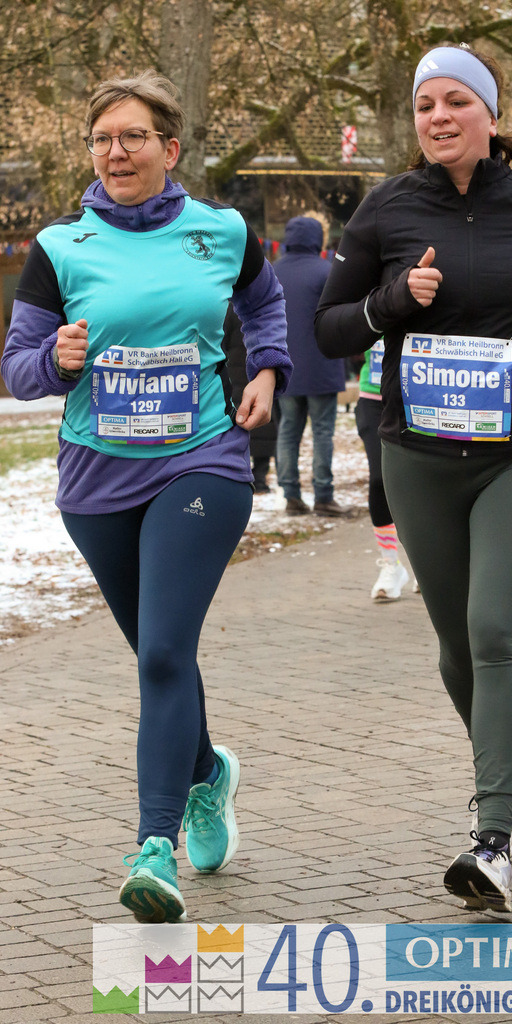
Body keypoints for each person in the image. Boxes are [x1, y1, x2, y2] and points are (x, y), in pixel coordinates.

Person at [315, 43, 512, 913]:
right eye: (425, 105)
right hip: (418, 456)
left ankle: (490, 835)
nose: (439, 117)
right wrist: (392, 303)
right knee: (457, 646)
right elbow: (329, 328)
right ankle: (502, 779)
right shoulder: (386, 209)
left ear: (490, 115)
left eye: (456, 101)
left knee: (495, 628)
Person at [1, 70, 292, 923]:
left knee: (164, 652)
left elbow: (264, 304)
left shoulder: (221, 231)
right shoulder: (61, 247)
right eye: (101, 139)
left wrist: (267, 371)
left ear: (170, 147)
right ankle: (206, 773)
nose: (115, 152)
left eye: (132, 137)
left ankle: (152, 846)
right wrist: (55, 360)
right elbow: (17, 369)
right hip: (96, 480)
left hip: (200, 462)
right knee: (156, 653)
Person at [274, 216, 350, 517]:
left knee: (288, 430)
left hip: (284, 368)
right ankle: (323, 495)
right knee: (322, 432)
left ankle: (291, 495)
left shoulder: (273, 271)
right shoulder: (327, 271)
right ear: (317, 239)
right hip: (322, 366)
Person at [356, 339, 412, 600]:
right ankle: (391, 563)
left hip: (418, 393)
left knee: (421, 482)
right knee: (379, 479)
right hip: (373, 396)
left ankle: (430, 563)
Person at [222, 303, 280, 492]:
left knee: (241, 422)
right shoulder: (263, 308)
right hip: (261, 373)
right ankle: (261, 476)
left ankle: (243, 472)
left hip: (235, 375)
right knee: (264, 424)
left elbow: (222, 342)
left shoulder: (229, 307)